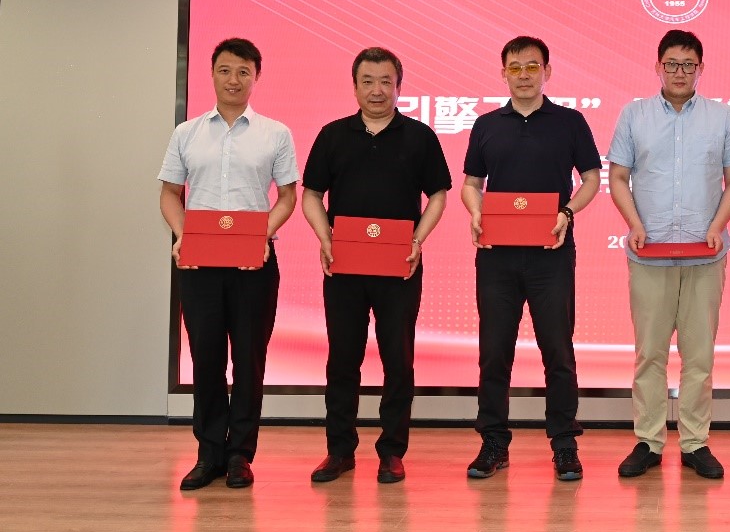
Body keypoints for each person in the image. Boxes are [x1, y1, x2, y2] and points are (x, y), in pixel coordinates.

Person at [302, 47, 451, 485]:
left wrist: (417, 240)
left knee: (397, 361)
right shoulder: (332, 135)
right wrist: (325, 238)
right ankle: (339, 451)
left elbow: (438, 194)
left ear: (398, 87)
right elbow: (311, 194)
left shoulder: (420, 137)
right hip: (344, 267)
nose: (377, 90)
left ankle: (392, 452)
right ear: (354, 86)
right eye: (367, 81)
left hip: (399, 267)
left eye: (386, 81)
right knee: (342, 360)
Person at [158, 37, 298, 490]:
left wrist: (262, 234)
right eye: (225, 70)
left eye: (243, 71)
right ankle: (209, 453)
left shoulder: (275, 133)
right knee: (206, 359)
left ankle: (240, 454)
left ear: (256, 77)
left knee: (249, 360)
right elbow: (169, 194)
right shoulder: (187, 133)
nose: (233, 79)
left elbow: (288, 196)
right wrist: (182, 235)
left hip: (254, 265)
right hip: (199, 265)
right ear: (212, 74)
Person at [461, 36, 602, 481]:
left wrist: (567, 213)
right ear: (503, 73)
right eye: (515, 67)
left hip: (551, 254)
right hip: (496, 256)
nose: (524, 75)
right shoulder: (486, 124)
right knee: (493, 352)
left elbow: (592, 178)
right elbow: (471, 183)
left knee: (558, 350)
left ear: (547, 72)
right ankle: (493, 443)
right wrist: (477, 212)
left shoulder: (569, 122)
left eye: (532, 66)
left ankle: (564, 444)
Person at [609, 30, 730, 479]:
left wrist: (717, 226)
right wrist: (635, 224)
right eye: (671, 63)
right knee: (649, 354)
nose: (680, 72)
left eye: (689, 64)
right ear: (658, 67)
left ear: (700, 69)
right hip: (648, 254)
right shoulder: (634, 115)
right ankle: (648, 441)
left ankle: (694, 443)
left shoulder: (721, 117)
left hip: (705, 256)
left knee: (699, 356)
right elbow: (618, 177)